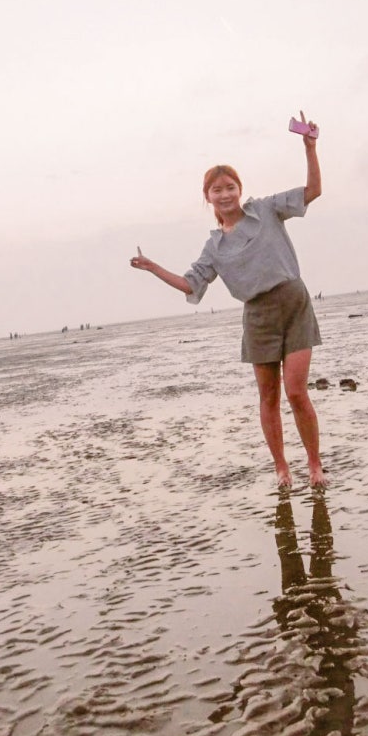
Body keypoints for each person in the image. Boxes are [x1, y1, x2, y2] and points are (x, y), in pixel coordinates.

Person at [130, 111, 325, 488]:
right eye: (216, 190)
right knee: (269, 397)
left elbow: (312, 192)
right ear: (207, 197)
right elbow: (190, 285)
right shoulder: (214, 247)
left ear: (239, 188)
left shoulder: (266, 209)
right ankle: (282, 469)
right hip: (258, 317)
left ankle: (315, 465)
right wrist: (153, 267)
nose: (224, 194)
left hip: (294, 302)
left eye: (230, 187)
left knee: (296, 391)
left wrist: (310, 148)